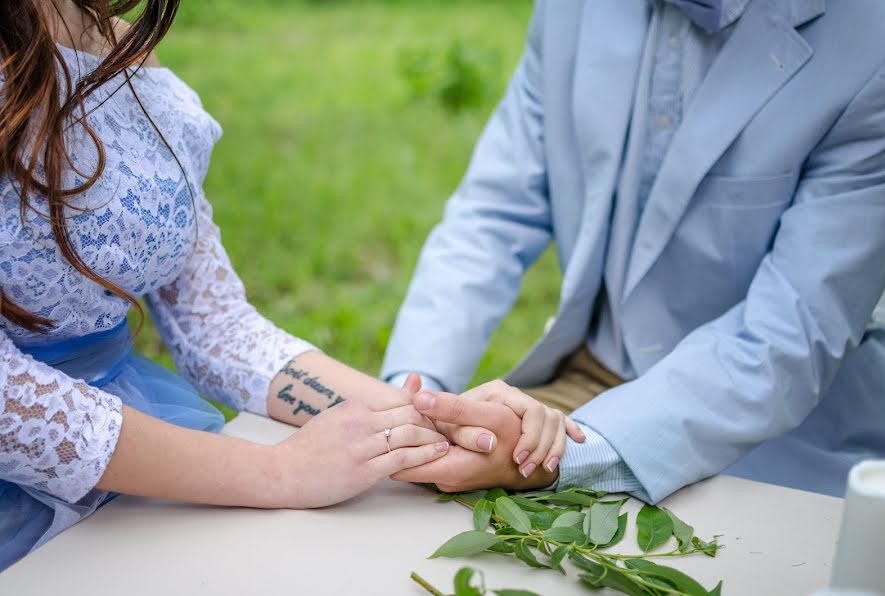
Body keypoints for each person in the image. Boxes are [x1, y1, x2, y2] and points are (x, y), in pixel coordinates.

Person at [0, 0, 583, 571]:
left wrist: (429, 422)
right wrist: (277, 472)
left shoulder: (132, 58)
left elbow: (214, 325)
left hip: (138, 450)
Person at [384, 0, 885, 503]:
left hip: (773, 431)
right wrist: (415, 397)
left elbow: (792, 330)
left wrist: (557, 460)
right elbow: (492, 213)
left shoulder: (881, 43)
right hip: (586, 377)